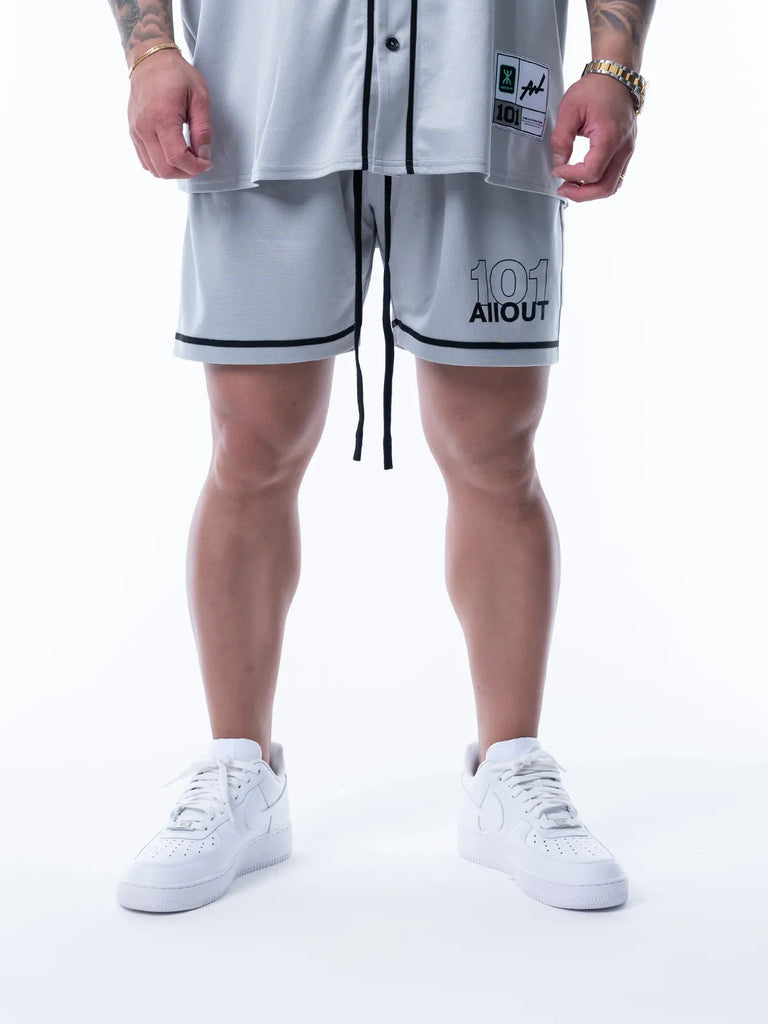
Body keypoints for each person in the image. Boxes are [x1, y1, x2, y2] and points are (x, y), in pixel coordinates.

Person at [108, 0, 655, 914]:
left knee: (495, 449)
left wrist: (615, 65)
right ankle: (241, 767)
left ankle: (508, 767)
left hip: (485, 95)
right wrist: (150, 50)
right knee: (249, 444)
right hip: (263, 96)